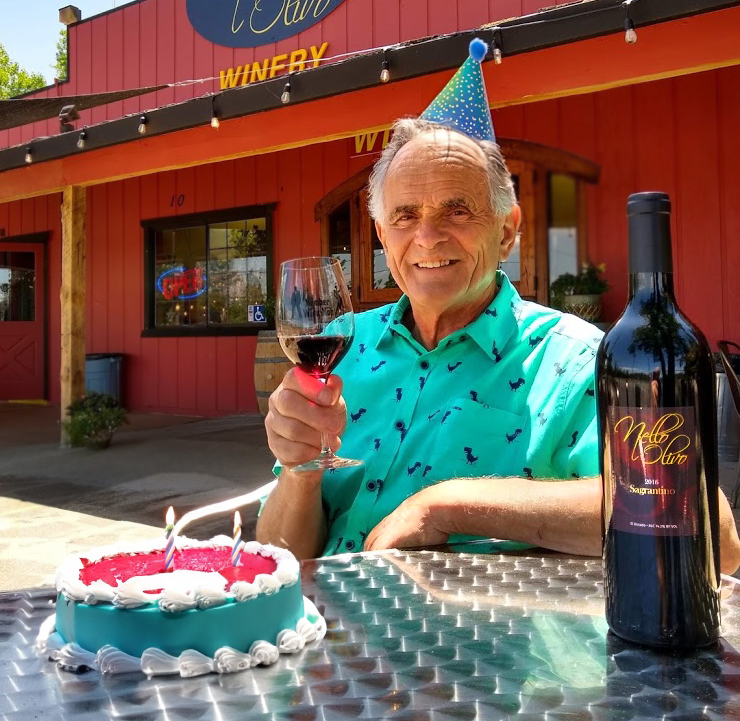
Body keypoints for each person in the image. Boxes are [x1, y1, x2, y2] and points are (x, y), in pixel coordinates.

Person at [257, 40, 740, 573]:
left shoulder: (575, 360)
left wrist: (449, 506)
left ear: (507, 231)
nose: (427, 237)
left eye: (456, 211)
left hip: (481, 647)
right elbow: (280, 558)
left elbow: (707, 525)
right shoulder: (345, 346)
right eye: (404, 216)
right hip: (324, 643)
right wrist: (298, 468)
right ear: (380, 235)